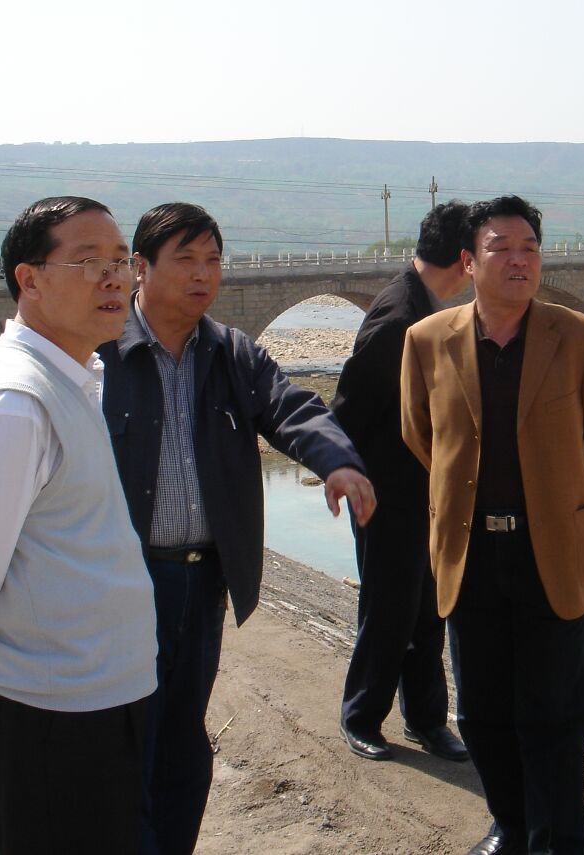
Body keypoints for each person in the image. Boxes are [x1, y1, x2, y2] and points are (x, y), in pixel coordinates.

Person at [98, 202, 375, 855]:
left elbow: (291, 407)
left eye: (213, 260)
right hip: (121, 583)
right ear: (140, 268)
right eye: (186, 260)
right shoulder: (100, 354)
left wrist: (336, 460)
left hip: (201, 583)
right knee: (125, 742)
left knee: (183, 742)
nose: (203, 275)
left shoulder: (231, 354)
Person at [0, 196, 158, 855]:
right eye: (88, 262)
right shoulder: (15, 401)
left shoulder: (71, 376)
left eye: (120, 261)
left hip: (94, 699)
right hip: (47, 717)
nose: (114, 279)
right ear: (30, 279)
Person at [401, 196, 584, 855]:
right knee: (482, 709)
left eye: (530, 247)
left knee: (557, 714)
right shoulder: (426, 340)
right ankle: (510, 824)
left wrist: (548, 497)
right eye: (501, 247)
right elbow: (421, 435)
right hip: (469, 551)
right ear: (469, 262)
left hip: (549, 548)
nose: (519, 260)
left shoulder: (580, 337)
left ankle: (559, 840)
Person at [332, 201, 471, 763]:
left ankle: (426, 720)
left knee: (427, 610)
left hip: (423, 490)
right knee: (389, 610)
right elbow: (348, 409)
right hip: (386, 492)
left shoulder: (423, 303)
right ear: (464, 258)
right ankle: (361, 717)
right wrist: (351, 480)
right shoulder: (399, 318)